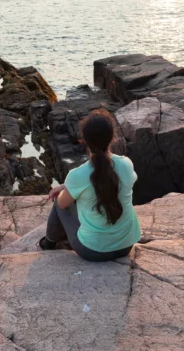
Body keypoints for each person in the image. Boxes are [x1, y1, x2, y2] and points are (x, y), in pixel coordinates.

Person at [40, 109, 141, 261]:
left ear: (84, 140)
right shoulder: (126, 164)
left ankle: (48, 243)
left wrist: (65, 188)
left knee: (59, 200)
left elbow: (62, 204)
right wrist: (66, 186)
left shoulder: (77, 175)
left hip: (93, 251)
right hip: (125, 246)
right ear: (112, 137)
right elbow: (106, 179)